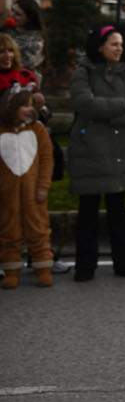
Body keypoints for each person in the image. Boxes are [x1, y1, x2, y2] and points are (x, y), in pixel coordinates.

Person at [67, 25, 125, 280]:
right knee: (88, 211)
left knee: (118, 211)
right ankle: (85, 266)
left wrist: (111, 116)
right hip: (90, 150)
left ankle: (124, 263)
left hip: (118, 150)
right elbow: (84, 103)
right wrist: (120, 105)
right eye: (114, 44)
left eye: (121, 44)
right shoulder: (83, 73)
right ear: (100, 47)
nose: (119, 48)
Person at [0, 87, 53, 288]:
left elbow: (47, 160)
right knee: (9, 229)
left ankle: (43, 267)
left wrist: (43, 186)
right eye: (24, 105)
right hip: (7, 194)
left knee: (37, 227)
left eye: (31, 105)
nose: (29, 109)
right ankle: (11, 270)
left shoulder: (38, 130)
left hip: (33, 192)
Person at [9, 0, 45, 72]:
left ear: (28, 19)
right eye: (12, 10)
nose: (12, 15)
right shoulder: (11, 31)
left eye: (18, 14)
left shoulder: (33, 41)